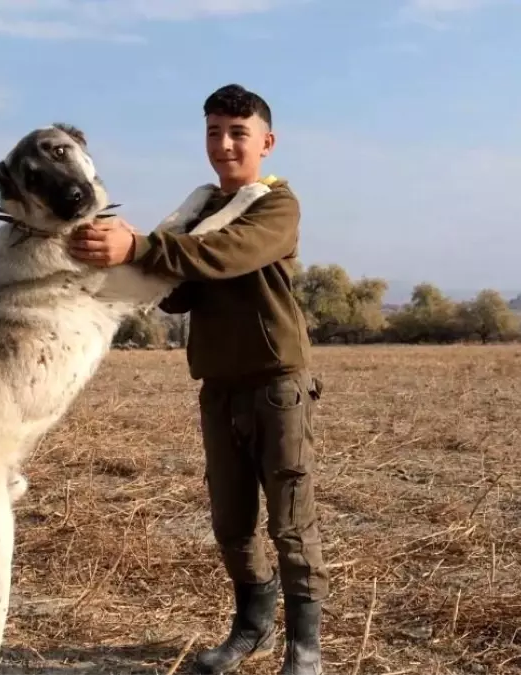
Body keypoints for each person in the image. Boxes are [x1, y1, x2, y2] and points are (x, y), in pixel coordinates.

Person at [68, 83, 327, 675]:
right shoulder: (200, 214)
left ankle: (305, 649)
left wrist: (141, 245)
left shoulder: (275, 207)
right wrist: (128, 262)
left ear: (267, 141)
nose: (225, 144)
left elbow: (227, 255)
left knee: (290, 521)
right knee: (231, 522)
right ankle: (252, 627)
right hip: (218, 387)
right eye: (214, 132)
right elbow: (177, 296)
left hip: (276, 383)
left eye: (238, 132)